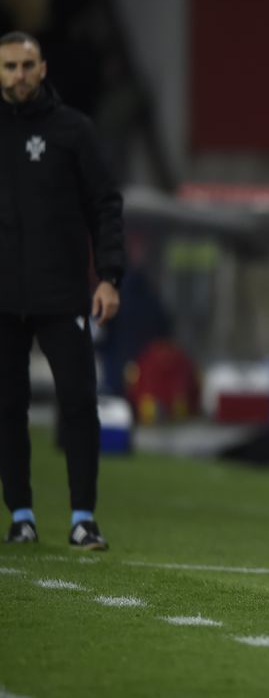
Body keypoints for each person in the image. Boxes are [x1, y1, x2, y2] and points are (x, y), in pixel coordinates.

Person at [0, 31, 125, 551]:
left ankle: (82, 518)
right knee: (8, 407)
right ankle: (21, 515)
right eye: (9, 67)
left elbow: (106, 205)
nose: (19, 76)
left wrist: (110, 278)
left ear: (44, 68)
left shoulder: (73, 130)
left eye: (27, 65)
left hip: (63, 294)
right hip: (3, 297)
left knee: (78, 403)